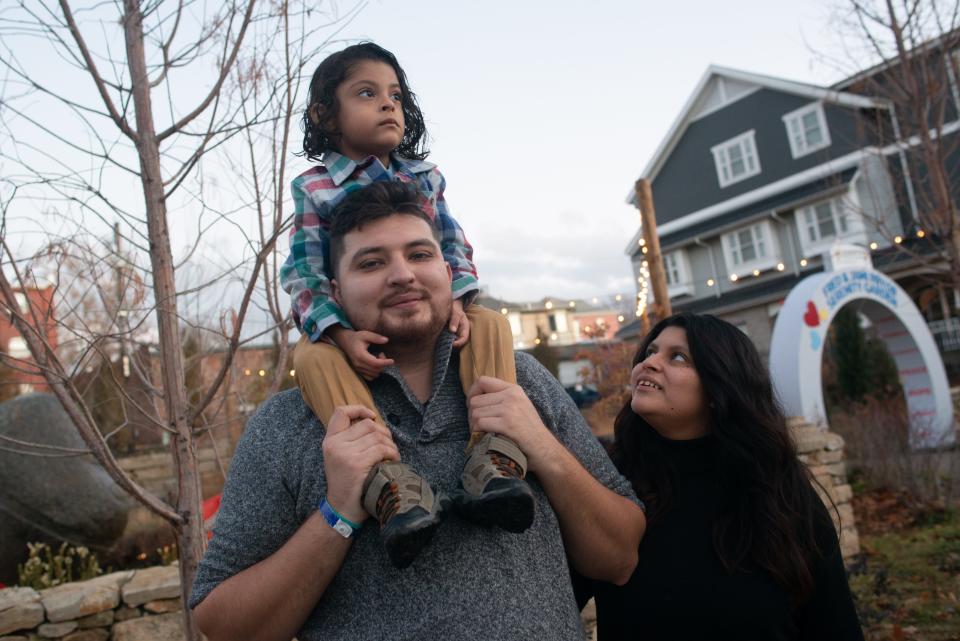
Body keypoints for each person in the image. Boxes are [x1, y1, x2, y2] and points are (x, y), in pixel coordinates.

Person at [191, 182, 646, 641]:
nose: (402, 274)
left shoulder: (522, 381)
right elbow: (224, 624)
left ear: (449, 272)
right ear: (334, 291)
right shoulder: (287, 424)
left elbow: (621, 557)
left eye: (420, 255)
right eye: (371, 262)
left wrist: (542, 446)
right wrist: (339, 511)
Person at [279, 42, 532, 568]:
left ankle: (493, 457)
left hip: (431, 316)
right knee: (310, 357)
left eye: (395, 94)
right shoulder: (317, 187)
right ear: (326, 115)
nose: (387, 104)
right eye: (367, 93)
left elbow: (454, 246)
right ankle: (387, 480)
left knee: (489, 325)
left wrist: (460, 300)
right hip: (356, 325)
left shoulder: (424, 178)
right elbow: (304, 271)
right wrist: (340, 333)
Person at [574, 313, 864, 641]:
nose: (649, 362)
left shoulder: (780, 495)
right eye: (649, 352)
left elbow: (835, 625)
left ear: (719, 386)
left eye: (678, 357)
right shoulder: (607, 485)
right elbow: (550, 600)